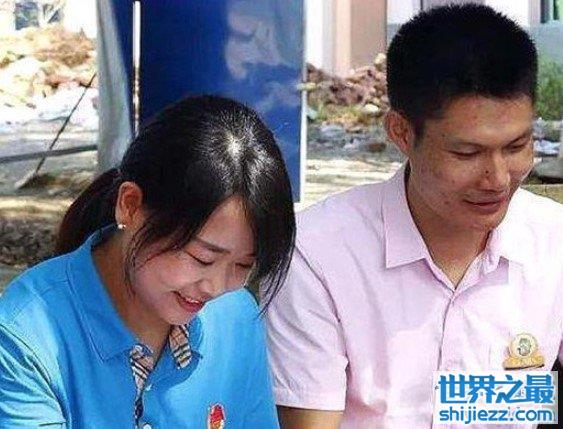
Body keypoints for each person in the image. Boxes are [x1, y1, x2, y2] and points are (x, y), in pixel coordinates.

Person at [265, 4, 563, 428]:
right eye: (467, 153)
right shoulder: (317, 257)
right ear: (401, 133)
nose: (498, 179)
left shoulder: (553, 243)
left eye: (516, 147)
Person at [0, 95, 295, 428]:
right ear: (129, 205)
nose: (216, 287)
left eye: (243, 266)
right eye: (201, 258)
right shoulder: (25, 335)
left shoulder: (235, 316)